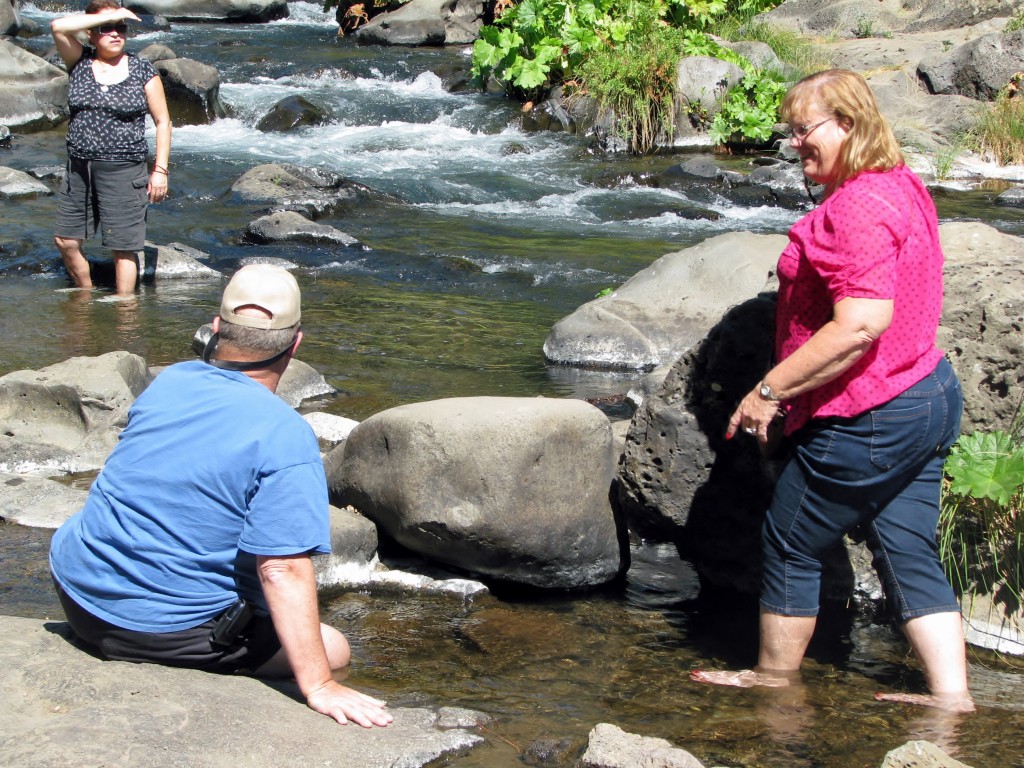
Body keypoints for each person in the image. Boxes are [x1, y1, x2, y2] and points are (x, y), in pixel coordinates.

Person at [690, 69, 973, 713]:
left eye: (804, 129)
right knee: (906, 546)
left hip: (869, 415)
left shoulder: (857, 209)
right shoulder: (900, 185)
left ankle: (773, 680)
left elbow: (861, 325)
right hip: (927, 394)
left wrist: (769, 389)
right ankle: (952, 701)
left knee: (791, 540)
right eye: (788, 131)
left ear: (848, 123)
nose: (794, 143)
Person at [49, 264, 393, 728]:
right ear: (295, 345)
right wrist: (320, 685)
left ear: (214, 330)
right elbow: (282, 568)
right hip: (156, 632)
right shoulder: (285, 435)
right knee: (334, 648)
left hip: (76, 592)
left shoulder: (172, 380)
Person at [50, 0, 171, 295]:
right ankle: (85, 294)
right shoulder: (79, 62)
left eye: (121, 27)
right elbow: (57, 27)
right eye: (106, 28)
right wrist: (116, 11)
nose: (116, 33)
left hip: (124, 169)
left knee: (123, 248)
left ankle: (125, 312)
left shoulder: (142, 70)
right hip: (79, 169)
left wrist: (160, 170)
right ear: (91, 34)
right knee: (66, 240)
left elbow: (163, 121)